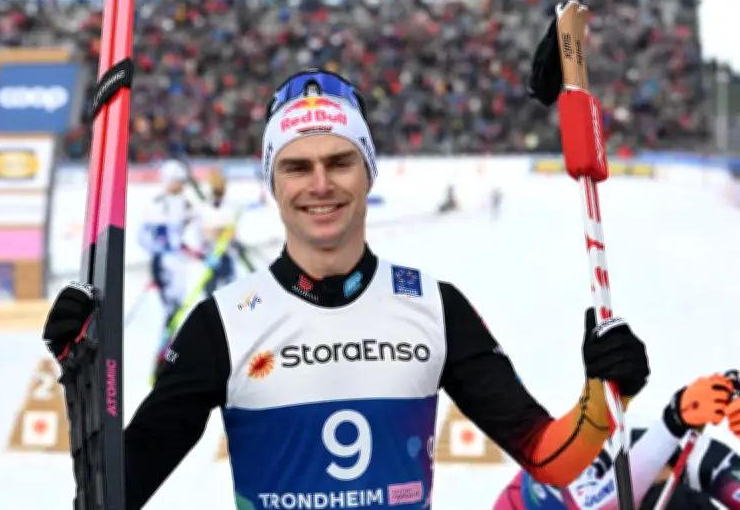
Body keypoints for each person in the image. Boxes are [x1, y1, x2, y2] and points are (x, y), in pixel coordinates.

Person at [42, 69, 650, 510]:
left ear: (368, 172)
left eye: (340, 161)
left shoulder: (434, 308)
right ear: (273, 183)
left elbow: (552, 458)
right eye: (297, 167)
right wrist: (84, 383)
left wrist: (605, 390)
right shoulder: (222, 323)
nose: (320, 185)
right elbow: (109, 498)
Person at [493, 372, 740, 509]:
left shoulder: (699, 460)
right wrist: (673, 420)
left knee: (670, 502)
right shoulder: (579, 459)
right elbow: (592, 504)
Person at [136, 159, 200, 375]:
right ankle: (163, 358)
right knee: (171, 312)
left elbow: (185, 233)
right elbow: (143, 236)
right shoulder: (157, 204)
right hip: (164, 264)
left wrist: (196, 251)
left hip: (178, 263)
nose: (182, 185)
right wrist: (158, 250)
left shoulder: (185, 203)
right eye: (178, 181)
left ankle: (171, 354)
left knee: (179, 310)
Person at [200, 170, 239, 297]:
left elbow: (232, 234)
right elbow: (202, 234)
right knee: (209, 295)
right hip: (211, 257)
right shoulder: (204, 208)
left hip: (226, 256)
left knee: (229, 295)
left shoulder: (229, 208)